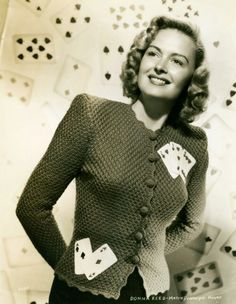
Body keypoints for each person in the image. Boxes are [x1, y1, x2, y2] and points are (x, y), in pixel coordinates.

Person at [16, 15, 209, 304]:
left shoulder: (195, 143)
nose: (159, 66)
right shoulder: (90, 114)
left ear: (192, 78)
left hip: (153, 296)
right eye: (153, 53)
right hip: (80, 294)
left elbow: (191, 224)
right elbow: (32, 206)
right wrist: (69, 271)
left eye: (177, 61)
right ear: (139, 59)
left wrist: (149, 252)